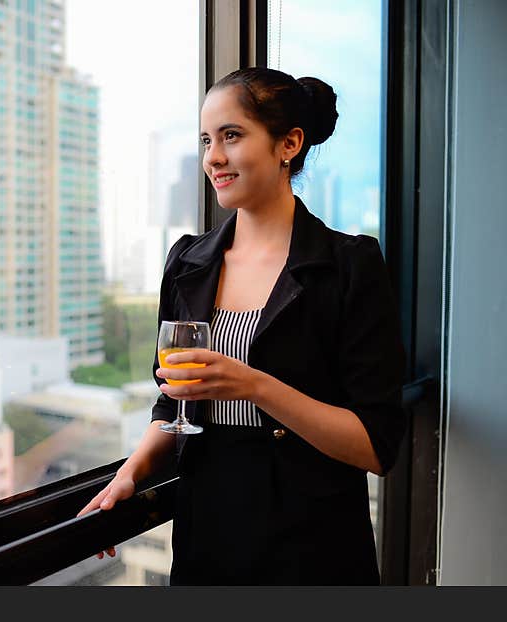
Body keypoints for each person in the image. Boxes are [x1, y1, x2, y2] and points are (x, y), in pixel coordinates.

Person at [77, 67, 406, 585]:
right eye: (207, 140)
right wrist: (130, 473)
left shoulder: (349, 266)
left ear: (289, 144)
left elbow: (374, 445)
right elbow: (172, 400)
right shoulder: (188, 261)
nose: (213, 157)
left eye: (231, 136)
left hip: (313, 544)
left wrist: (253, 385)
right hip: (209, 531)